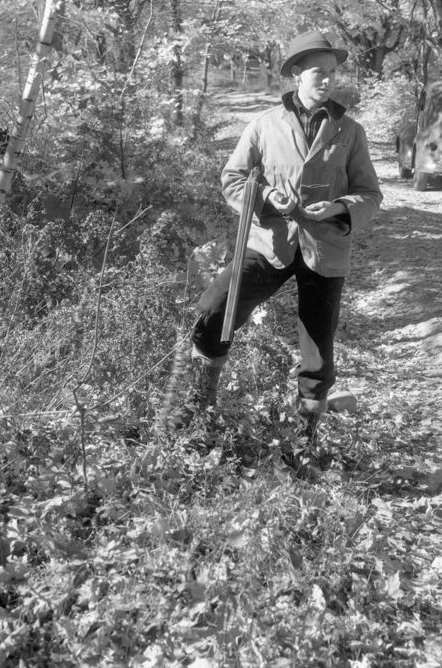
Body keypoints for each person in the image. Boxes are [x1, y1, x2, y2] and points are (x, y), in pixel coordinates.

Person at [163, 30, 383, 441]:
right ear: (296, 74)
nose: (328, 80)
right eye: (319, 72)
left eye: (333, 72)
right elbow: (232, 179)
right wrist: (264, 195)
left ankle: (305, 437)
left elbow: (371, 194)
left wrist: (339, 208)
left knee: (318, 353)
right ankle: (195, 410)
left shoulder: (350, 131)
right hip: (268, 242)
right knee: (211, 312)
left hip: (325, 248)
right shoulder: (265, 125)